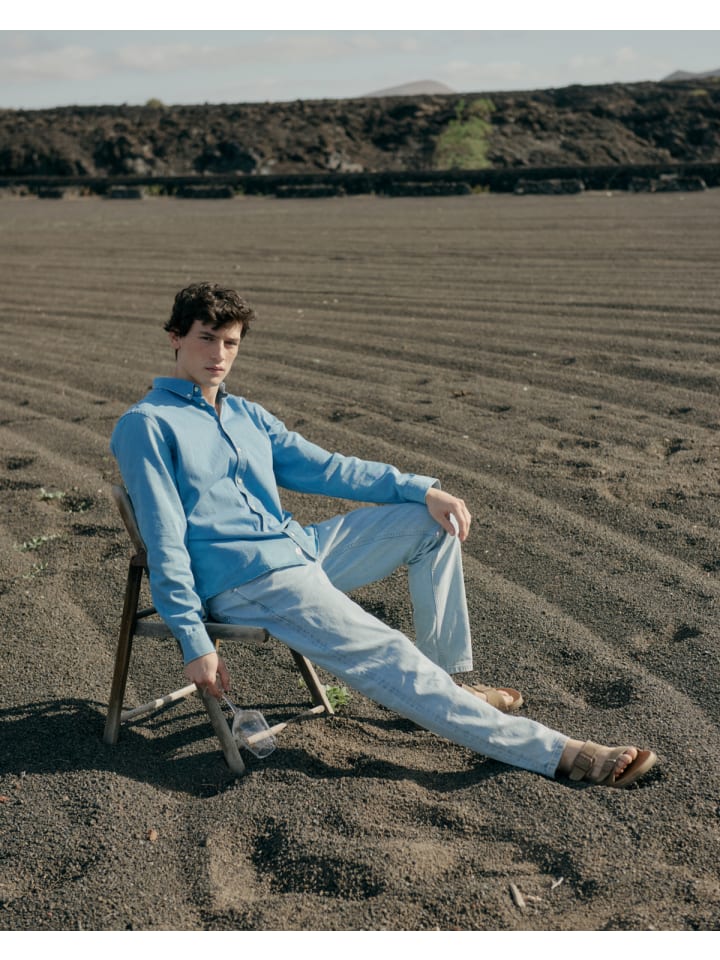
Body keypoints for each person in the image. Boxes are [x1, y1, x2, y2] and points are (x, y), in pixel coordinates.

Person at [110, 282, 657, 788]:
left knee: (431, 524)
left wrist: (422, 490)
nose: (219, 354)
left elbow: (327, 468)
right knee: (387, 650)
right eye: (206, 339)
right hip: (248, 581)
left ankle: (445, 684)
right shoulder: (148, 424)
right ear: (175, 338)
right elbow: (164, 540)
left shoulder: (245, 415)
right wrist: (193, 639)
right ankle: (557, 752)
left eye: (230, 342)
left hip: (300, 549)